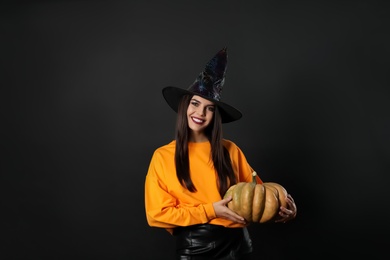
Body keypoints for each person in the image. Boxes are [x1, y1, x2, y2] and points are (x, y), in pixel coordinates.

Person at [144, 47, 297, 259]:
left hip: (238, 245)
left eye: (210, 108)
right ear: (185, 106)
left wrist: (287, 209)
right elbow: (157, 214)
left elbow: (259, 198)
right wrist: (211, 211)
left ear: (215, 115)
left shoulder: (230, 150)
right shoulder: (163, 156)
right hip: (195, 245)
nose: (200, 113)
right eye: (195, 103)